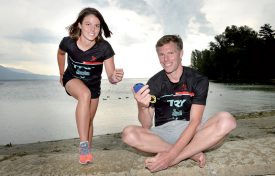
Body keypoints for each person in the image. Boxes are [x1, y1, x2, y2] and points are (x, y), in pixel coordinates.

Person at [122, 35, 236, 172]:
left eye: (171, 53)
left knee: (227, 121)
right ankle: (191, 152)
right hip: (163, 134)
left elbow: (195, 121)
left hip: (193, 132)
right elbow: (146, 125)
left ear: (181, 53)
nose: (166, 59)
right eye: (161, 55)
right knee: (129, 134)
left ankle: (179, 155)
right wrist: (142, 106)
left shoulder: (198, 80)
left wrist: (171, 158)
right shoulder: (154, 83)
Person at [57, 7, 124, 164]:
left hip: (94, 87)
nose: (93, 29)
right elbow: (60, 53)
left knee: (88, 120)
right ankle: (84, 146)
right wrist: (61, 73)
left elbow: (111, 77)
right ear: (80, 25)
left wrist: (115, 78)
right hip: (72, 79)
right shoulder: (68, 43)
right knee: (84, 94)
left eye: (97, 25)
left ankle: (86, 155)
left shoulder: (104, 48)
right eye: (88, 24)